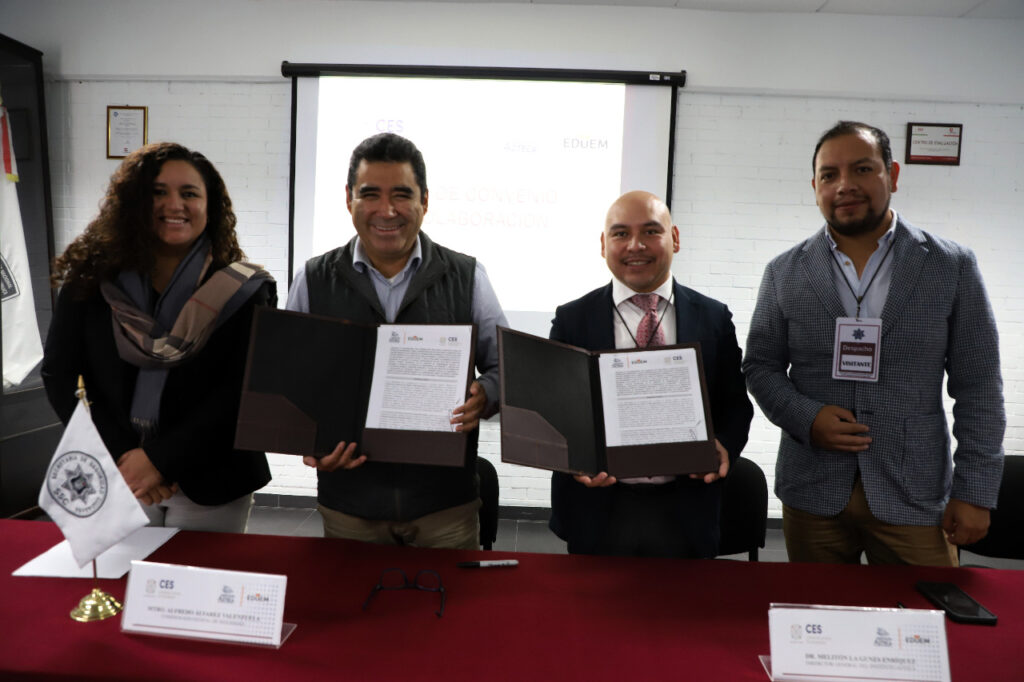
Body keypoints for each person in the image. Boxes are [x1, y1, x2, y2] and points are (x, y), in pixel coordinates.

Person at [743, 121, 1005, 566]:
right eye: (829, 175)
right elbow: (760, 366)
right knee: (816, 609)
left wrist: (975, 490)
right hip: (813, 492)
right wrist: (808, 418)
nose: (844, 185)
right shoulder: (784, 271)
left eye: (862, 169)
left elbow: (979, 384)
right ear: (815, 187)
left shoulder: (951, 266)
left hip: (914, 493)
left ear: (892, 175)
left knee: (924, 607)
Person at [286, 132, 507, 549]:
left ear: (425, 201)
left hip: (445, 509)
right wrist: (309, 443)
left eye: (402, 195)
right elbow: (290, 382)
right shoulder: (313, 280)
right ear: (349, 199)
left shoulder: (468, 277)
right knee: (352, 592)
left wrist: (487, 394)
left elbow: (505, 369)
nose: (386, 210)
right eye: (370, 194)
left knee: (449, 595)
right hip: (349, 506)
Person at [42, 142, 276, 533]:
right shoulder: (90, 282)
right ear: (134, 202)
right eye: (158, 192)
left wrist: (160, 461)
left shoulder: (244, 290)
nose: (175, 204)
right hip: (119, 471)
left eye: (190, 193)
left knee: (201, 575)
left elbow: (241, 391)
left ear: (210, 206)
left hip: (213, 476)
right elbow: (59, 375)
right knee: (120, 574)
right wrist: (124, 457)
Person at [547, 190, 753, 558]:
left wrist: (724, 444)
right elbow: (557, 412)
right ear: (603, 244)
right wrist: (572, 460)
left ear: (674, 238)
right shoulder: (572, 319)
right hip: (598, 509)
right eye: (620, 233)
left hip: (687, 507)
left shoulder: (713, 318)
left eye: (650, 231)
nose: (635, 245)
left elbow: (736, 405)